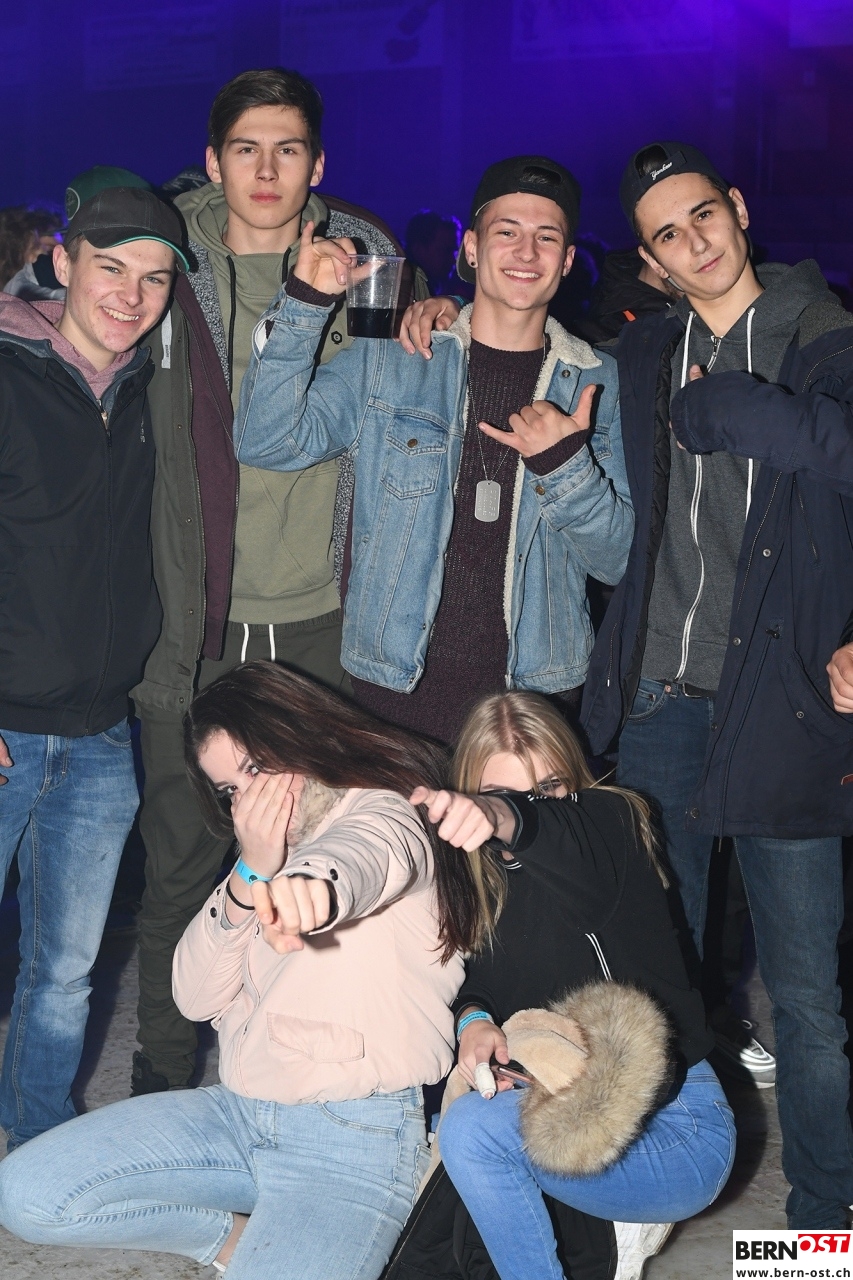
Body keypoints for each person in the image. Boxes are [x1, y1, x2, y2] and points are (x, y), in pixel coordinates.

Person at [130, 66, 428, 1097]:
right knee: (180, 866)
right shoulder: (165, 262)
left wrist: (431, 319)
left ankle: (321, 1085)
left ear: (318, 164)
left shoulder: (370, 267)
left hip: (324, 618)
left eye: (288, 149)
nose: (267, 170)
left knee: (335, 859)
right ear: (213, 163)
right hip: (194, 619)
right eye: (246, 149)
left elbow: (405, 399)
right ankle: (163, 1088)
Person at [579, 141, 853, 1229]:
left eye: (703, 214)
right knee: (659, 974)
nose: (693, 242)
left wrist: (729, 408)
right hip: (660, 700)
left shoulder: (821, 335)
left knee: (808, 998)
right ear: (649, 260)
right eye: (666, 233)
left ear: (736, 208)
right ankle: (660, 1191)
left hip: (785, 703)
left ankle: (823, 1224)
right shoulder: (644, 355)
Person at [0, 661, 477, 1280]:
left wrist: (312, 888)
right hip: (237, 1115)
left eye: (255, 768)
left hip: (352, 1143)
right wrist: (250, 875)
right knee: (27, 1192)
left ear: (300, 733)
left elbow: (364, 856)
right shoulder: (261, 858)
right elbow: (193, 997)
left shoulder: (386, 811)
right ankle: (238, 1240)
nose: (248, 799)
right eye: (230, 790)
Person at [236, 155, 633, 746]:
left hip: (535, 695)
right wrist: (305, 302)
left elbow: (619, 560)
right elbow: (267, 439)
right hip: (397, 688)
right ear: (471, 247)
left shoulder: (597, 382)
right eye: (507, 232)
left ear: (568, 260)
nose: (527, 252)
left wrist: (565, 468)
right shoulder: (394, 357)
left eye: (547, 237)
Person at [406, 691, 734, 1280]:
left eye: (548, 788)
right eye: (500, 791)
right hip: (557, 1104)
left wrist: (501, 812)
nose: (528, 804)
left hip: (674, 1125)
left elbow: (551, 828)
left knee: (474, 1134)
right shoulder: (478, 883)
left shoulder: (611, 825)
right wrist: (474, 1019)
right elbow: (479, 982)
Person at [0, 185, 187, 1147]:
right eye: (111, 267)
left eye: (153, 278)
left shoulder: (155, 389)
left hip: (103, 735)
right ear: (63, 261)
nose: (130, 294)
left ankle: (34, 1142)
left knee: (65, 973)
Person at [405, 209, 463, 296]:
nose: (453, 260)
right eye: (444, 250)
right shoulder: (404, 290)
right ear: (418, 249)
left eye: (454, 251)